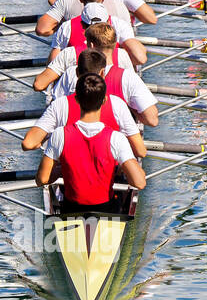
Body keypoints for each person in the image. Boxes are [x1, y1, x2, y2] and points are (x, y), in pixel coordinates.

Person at [35, 73, 146, 211]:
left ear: (76, 100)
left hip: (71, 210)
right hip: (106, 210)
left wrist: (62, 170)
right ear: (104, 100)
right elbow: (139, 183)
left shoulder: (60, 135)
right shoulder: (117, 138)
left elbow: (41, 179)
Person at [23, 49, 147, 158]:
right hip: (110, 177)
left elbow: (28, 144)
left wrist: (49, 141)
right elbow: (141, 152)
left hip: (69, 178)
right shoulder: (118, 104)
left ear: (76, 72)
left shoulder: (61, 104)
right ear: (103, 73)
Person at [35, 22, 158, 128]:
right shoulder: (128, 77)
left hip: (76, 145)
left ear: (91, 45)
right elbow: (152, 120)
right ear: (115, 44)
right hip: (113, 148)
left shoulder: (71, 73)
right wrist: (129, 108)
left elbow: (56, 110)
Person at [48, 1, 147, 68]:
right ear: (108, 22)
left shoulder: (69, 53)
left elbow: (40, 83)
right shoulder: (121, 55)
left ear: (82, 24)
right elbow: (140, 58)